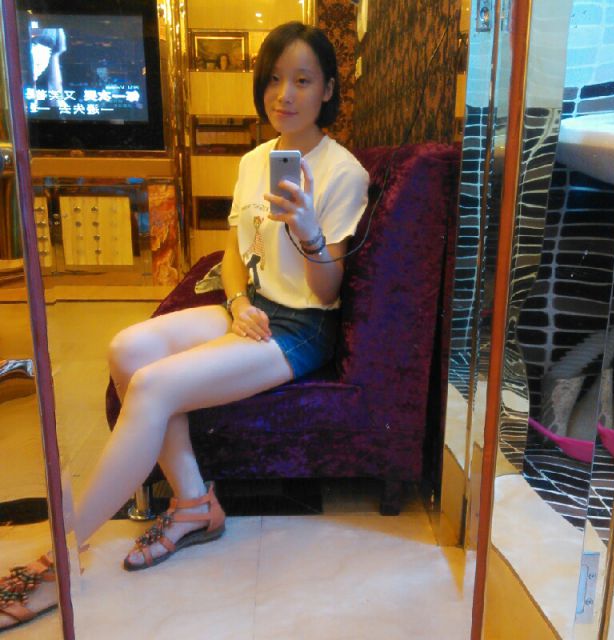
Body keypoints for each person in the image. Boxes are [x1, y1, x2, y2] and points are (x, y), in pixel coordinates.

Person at [0, 20, 369, 631]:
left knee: (152, 386)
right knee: (127, 349)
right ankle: (195, 503)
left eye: (303, 80)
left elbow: (327, 290)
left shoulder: (343, 172)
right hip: (253, 309)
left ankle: (59, 557)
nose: (285, 95)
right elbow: (234, 249)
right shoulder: (256, 161)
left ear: (328, 88)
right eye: (275, 79)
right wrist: (237, 301)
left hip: (301, 327)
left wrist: (307, 229)